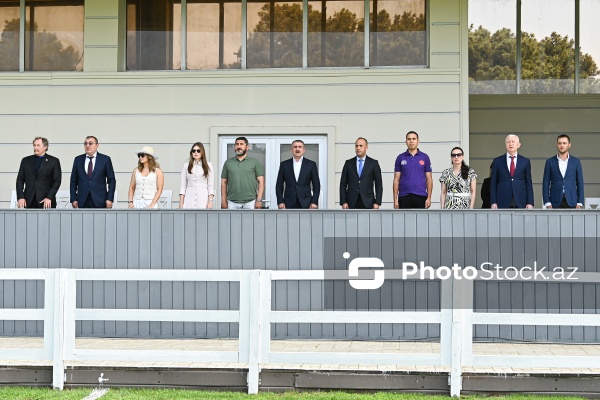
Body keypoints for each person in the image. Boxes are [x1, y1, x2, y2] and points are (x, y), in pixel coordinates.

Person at [70, 136, 116, 208]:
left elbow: (111, 180)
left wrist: (109, 198)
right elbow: (73, 181)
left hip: (100, 200)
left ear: (97, 145)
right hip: (82, 200)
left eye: (90, 143)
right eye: (85, 144)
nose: (87, 145)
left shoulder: (105, 160)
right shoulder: (78, 160)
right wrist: (73, 199)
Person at [16, 137, 62, 209]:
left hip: (46, 201)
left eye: (38, 145)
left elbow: (57, 181)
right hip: (28, 201)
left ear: (45, 147)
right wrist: (20, 197)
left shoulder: (54, 161)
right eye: (34, 145)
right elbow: (20, 180)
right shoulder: (25, 161)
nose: (35, 147)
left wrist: (49, 197)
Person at [490, 134, 534, 209]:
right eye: (508, 142)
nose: (510, 144)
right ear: (505, 145)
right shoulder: (497, 161)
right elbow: (493, 183)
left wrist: (530, 202)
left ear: (518, 145)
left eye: (513, 141)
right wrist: (493, 202)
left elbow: (528, 183)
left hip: (520, 200)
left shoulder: (525, 161)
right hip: (502, 200)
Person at [221, 137, 265, 209]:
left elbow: (261, 182)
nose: (239, 146)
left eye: (241, 144)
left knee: (250, 221)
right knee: (232, 220)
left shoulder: (255, 162)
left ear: (247, 147)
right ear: (234, 147)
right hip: (232, 202)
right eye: (237, 144)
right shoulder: (228, 163)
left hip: (250, 202)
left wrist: (259, 200)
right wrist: (223, 200)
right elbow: (223, 183)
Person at [542, 134, 584, 209]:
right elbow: (546, 183)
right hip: (554, 201)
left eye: (564, 143)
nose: (562, 145)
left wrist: (580, 202)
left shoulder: (576, 162)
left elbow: (580, 183)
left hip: (572, 201)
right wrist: (547, 202)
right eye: (559, 143)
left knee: (572, 221)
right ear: (557, 145)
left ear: (569, 145)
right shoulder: (550, 162)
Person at [339, 137, 383, 209]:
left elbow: (379, 185)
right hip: (351, 201)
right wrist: (343, 201)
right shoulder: (348, 163)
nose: (358, 148)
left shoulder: (373, 163)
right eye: (356, 146)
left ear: (366, 147)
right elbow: (343, 184)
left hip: (368, 201)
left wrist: (377, 202)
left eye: (361, 146)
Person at [393, 131, 433, 209]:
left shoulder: (425, 157)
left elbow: (429, 179)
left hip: (421, 196)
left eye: (414, 139)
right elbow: (396, 180)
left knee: (421, 221)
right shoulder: (400, 157)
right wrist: (395, 199)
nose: (411, 141)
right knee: (404, 221)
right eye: (409, 139)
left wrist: (429, 198)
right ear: (406, 142)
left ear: (418, 141)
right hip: (404, 196)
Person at [275, 140, 320, 209]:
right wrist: (280, 201)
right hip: (288, 202)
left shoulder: (311, 165)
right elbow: (279, 185)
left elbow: (316, 185)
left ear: (304, 149)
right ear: (291, 149)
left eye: (300, 147)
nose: (297, 149)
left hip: (307, 202)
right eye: (295, 147)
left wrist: (314, 202)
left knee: (306, 220)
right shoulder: (284, 165)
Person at [179, 142, 215, 209]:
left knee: (203, 218)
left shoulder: (209, 165)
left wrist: (210, 201)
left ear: (202, 152)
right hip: (189, 196)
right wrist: (181, 202)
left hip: (203, 197)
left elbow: (211, 185)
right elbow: (183, 186)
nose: (196, 152)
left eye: (198, 151)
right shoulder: (186, 165)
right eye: (194, 151)